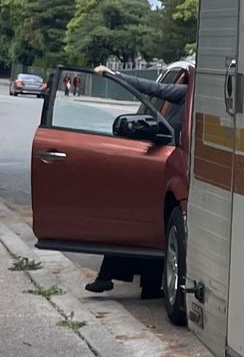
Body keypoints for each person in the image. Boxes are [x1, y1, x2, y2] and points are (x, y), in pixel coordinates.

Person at [81, 64, 190, 294]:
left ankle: (145, 284)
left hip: (173, 165)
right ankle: (117, 277)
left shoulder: (192, 98)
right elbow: (152, 88)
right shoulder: (184, 92)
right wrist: (115, 76)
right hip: (160, 159)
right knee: (136, 221)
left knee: (150, 224)